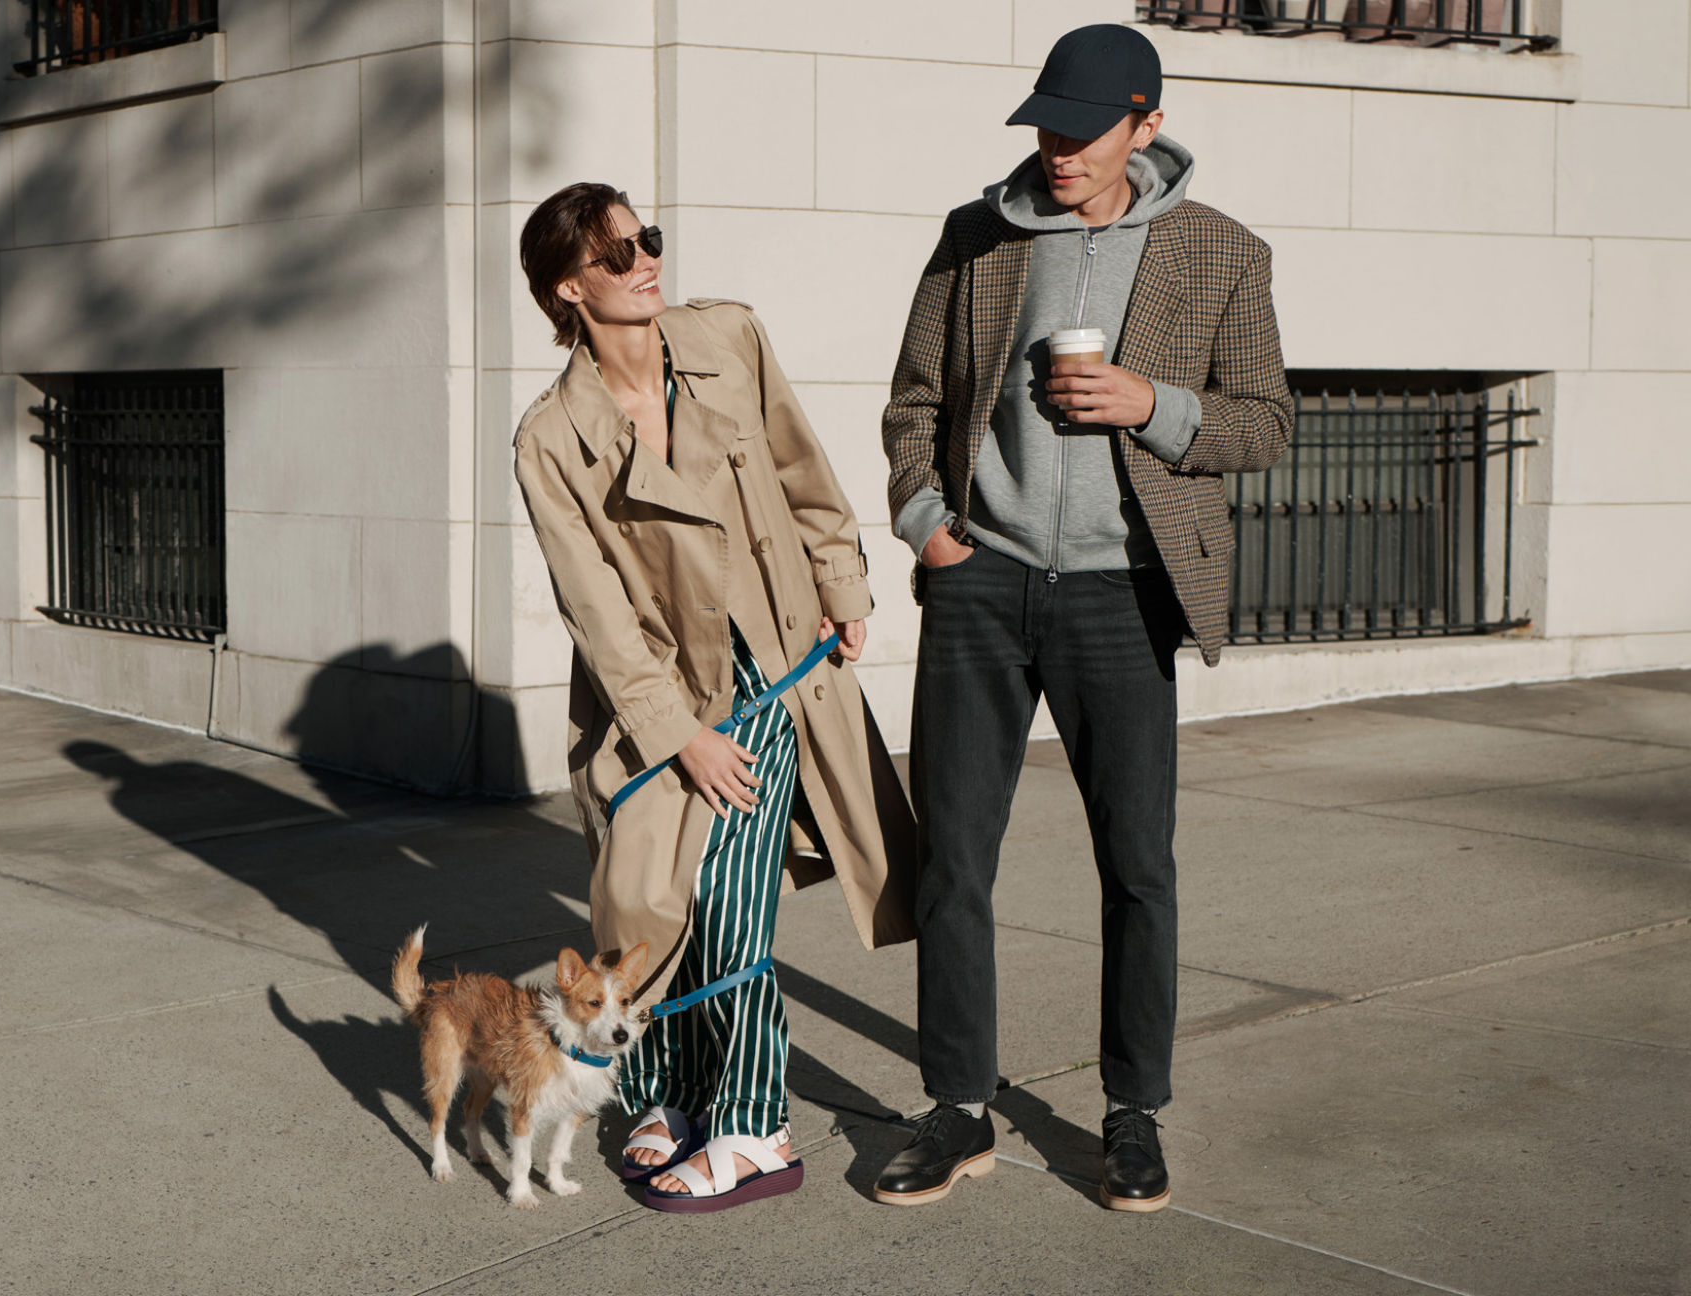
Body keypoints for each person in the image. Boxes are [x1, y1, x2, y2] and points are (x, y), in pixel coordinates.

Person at [873, 24, 1293, 1214]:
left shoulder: (1220, 254)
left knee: (1138, 867)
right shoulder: (978, 237)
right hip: (982, 582)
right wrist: (930, 531)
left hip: (1125, 590)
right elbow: (913, 403)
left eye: (1084, 126)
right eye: (1045, 124)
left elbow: (1265, 424)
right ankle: (957, 1107)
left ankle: (1132, 1113)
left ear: (1145, 123)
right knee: (953, 862)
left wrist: (1150, 404)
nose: (1056, 149)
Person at [513, 183, 916, 1213]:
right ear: (570, 288)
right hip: (656, 698)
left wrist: (844, 584)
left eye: (648, 238)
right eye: (618, 254)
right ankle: (666, 1088)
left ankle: (752, 1126)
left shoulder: (726, 337)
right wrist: (676, 732)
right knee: (643, 901)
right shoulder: (552, 436)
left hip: (772, 671)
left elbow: (803, 469)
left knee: (732, 911)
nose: (648, 259)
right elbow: (593, 606)